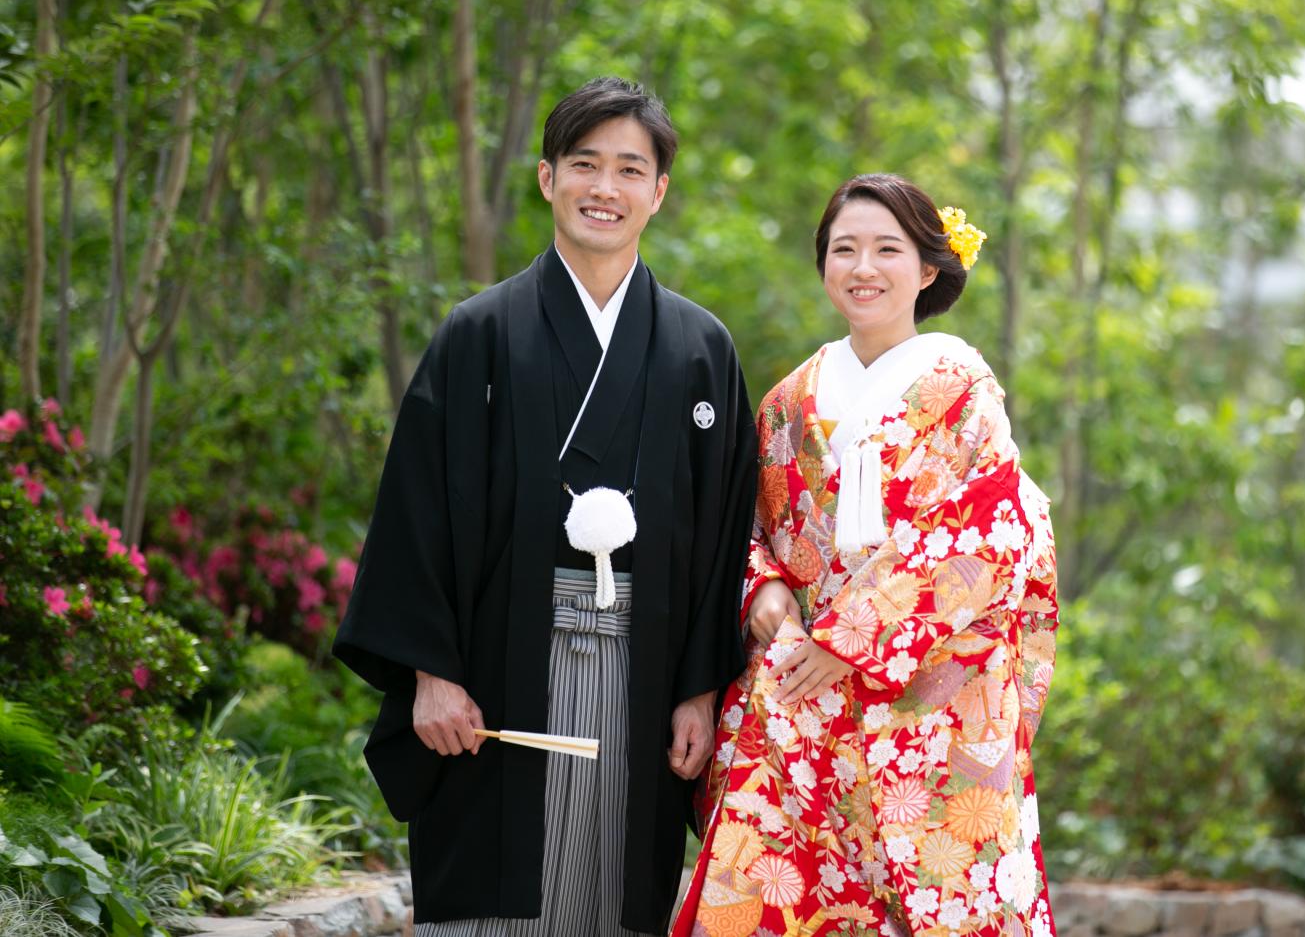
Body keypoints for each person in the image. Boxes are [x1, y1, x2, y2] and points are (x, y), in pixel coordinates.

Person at [334, 77, 758, 936]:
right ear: (546, 178)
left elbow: (723, 535)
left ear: (659, 192)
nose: (606, 188)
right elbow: (416, 511)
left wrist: (700, 689)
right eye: (585, 164)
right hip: (494, 668)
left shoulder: (699, 348)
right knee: (496, 896)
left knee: (614, 893)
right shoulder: (480, 332)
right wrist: (431, 672)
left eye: (629, 169)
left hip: (646, 670)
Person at [672, 174, 1059, 937]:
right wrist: (764, 591)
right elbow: (744, 527)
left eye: (888, 249)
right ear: (823, 266)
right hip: (806, 700)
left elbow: (992, 529)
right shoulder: (789, 399)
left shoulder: (963, 390)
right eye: (843, 249)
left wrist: (851, 639)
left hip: (934, 699)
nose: (863, 267)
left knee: (940, 900)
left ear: (927, 269)